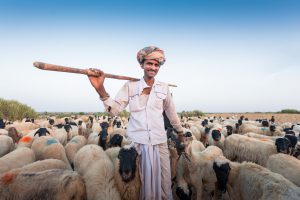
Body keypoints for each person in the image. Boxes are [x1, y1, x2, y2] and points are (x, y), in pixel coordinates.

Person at [87, 46, 184, 200]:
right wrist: (100, 88)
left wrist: (180, 132)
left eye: (156, 65)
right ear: (142, 65)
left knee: (165, 183)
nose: (153, 67)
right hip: (139, 146)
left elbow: (171, 113)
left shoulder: (163, 88)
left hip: (159, 142)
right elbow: (115, 110)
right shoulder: (130, 86)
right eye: (149, 64)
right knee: (141, 185)